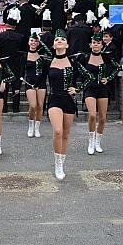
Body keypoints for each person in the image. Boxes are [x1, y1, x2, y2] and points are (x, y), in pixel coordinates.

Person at [47, 29, 91, 180]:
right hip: (54, 99)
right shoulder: (48, 61)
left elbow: (89, 77)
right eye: (56, 39)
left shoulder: (73, 62)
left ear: (67, 45)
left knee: (65, 134)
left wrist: (77, 89)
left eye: (62, 39)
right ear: (53, 45)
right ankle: (57, 162)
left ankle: (61, 163)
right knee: (57, 130)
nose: (59, 41)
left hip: (69, 100)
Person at [78, 33, 120, 154]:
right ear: (90, 45)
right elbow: (78, 69)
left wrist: (108, 78)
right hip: (90, 88)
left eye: (98, 43)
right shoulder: (85, 57)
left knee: (102, 117)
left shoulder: (106, 57)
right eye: (94, 43)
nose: (96, 45)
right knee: (92, 115)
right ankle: (91, 141)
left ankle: (98, 141)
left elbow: (117, 67)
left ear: (102, 45)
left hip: (102, 89)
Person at [21, 33, 50, 138]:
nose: (33, 42)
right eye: (32, 40)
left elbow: (45, 70)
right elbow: (21, 72)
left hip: (41, 82)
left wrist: (42, 41)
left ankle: (37, 127)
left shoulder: (42, 56)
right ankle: (30, 125)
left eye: (36, 41)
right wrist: (17, 86)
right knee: (33, 105)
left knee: (40, 106)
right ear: (28, 42)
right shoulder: (24, 56)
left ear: (38, 43)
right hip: (30, 83)